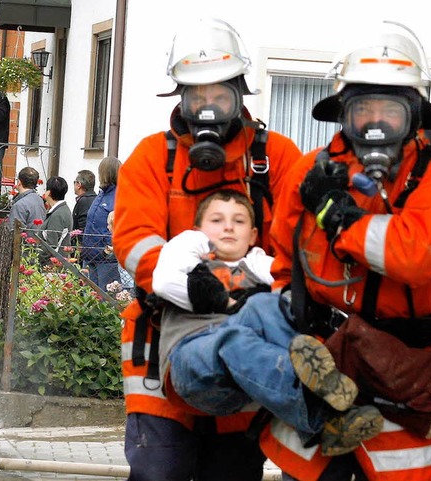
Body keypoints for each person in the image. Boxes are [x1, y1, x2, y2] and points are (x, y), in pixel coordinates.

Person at [253, 21, 431, 481]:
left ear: (416, 116)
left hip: (408, 367)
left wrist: (341, 218)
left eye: (392, 111)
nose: (377, 125)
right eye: (364, 110)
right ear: (344, 113)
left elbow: (414, 253)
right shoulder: (311, 171)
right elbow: (284, 262)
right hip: (326, 362)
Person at [112, 18, 302, 481]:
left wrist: (253, 295)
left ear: (241, 94)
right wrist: (191, 286)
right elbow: (134, 241)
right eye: (198, 97)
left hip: (246, 348)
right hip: (160, 346)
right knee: (159, 471)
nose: (209, 108)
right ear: (180, 99)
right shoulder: (152, 157)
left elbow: (300, 250)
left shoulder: (276, 157)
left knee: (232, 472)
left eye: (221, 96)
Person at [154, 189, 382, 457]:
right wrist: (224, 301)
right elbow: (163, 282)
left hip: (245, 374)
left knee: (268, 304)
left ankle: (324, 392)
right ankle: (320, 411)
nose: (228, 226)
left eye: (239, 221)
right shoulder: (188, 251)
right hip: (193, 362)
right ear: (197, 229)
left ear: (252, 234)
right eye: (216, 220)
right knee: (236, 338)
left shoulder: (258, 262)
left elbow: (293, 290)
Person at [83, 157, 121, 291]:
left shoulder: (118, 196)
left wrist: (108, 249)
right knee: (90, 299)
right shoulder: (102, 195)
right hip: (91, 255)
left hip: (106, 259)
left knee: (106, 300)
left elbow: (117, 225)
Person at [40, 176, 72, 263]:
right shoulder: (62, 210)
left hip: (52, 265)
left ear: (49, 193)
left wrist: (36, 259)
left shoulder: (57, 215)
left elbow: (51, 245)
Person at [71, 169, 97, 246]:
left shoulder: (84, 201)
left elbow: (82, 227)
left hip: (82, 247)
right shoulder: (96, 199)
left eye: (75, 182)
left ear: (79, 185)